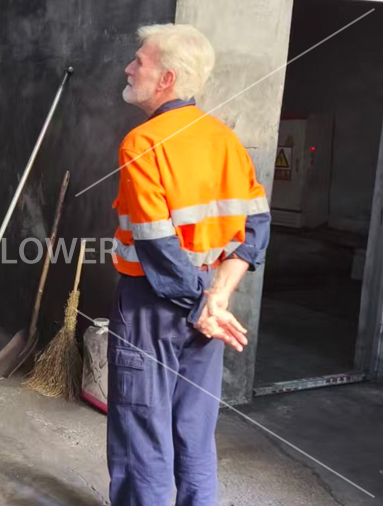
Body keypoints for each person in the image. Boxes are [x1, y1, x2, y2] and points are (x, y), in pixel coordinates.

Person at [107, 24, 271, 505]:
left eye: (139, 61)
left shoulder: (142, 143)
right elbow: (256, 229)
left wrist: (202, 304)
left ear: (166, 79)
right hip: (206, 307)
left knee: (141, 433)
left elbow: (157, 245)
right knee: (194, 431)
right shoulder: (226, 141)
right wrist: (216, 298)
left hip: (150, 306)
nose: (129, 68)